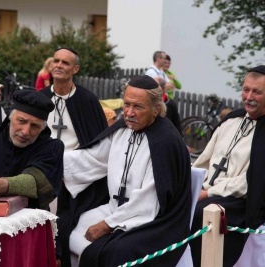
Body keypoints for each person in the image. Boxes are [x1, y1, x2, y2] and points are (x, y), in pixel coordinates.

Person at [57, 75, 192, 267]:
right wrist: (52, 162)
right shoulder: (123, 130)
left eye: (138, 107)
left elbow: (149, 201)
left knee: (114, 252)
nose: (129, 112)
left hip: (151, 221)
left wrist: (107, 225)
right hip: (115, 208)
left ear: (156, 109)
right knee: (67, 229)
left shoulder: (165, 142)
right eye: (126, 104)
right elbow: (93, 159)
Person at [189, 65, 265, 266]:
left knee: (200, 213)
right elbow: (204, 160)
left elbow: (250, 182)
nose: (248, 96)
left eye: (257, 92)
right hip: (208, 190)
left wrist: (208, 192)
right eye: (246, 89)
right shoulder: (231, 120)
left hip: (242, 200)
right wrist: (194, 184)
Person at [40, 47, 107, 151]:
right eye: (56, 61)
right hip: (42, 160)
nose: (58, 65)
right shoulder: (40, 98)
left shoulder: (87, 100)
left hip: (76, 162)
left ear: (75, 69)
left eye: (65, 63)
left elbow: (99, 143)